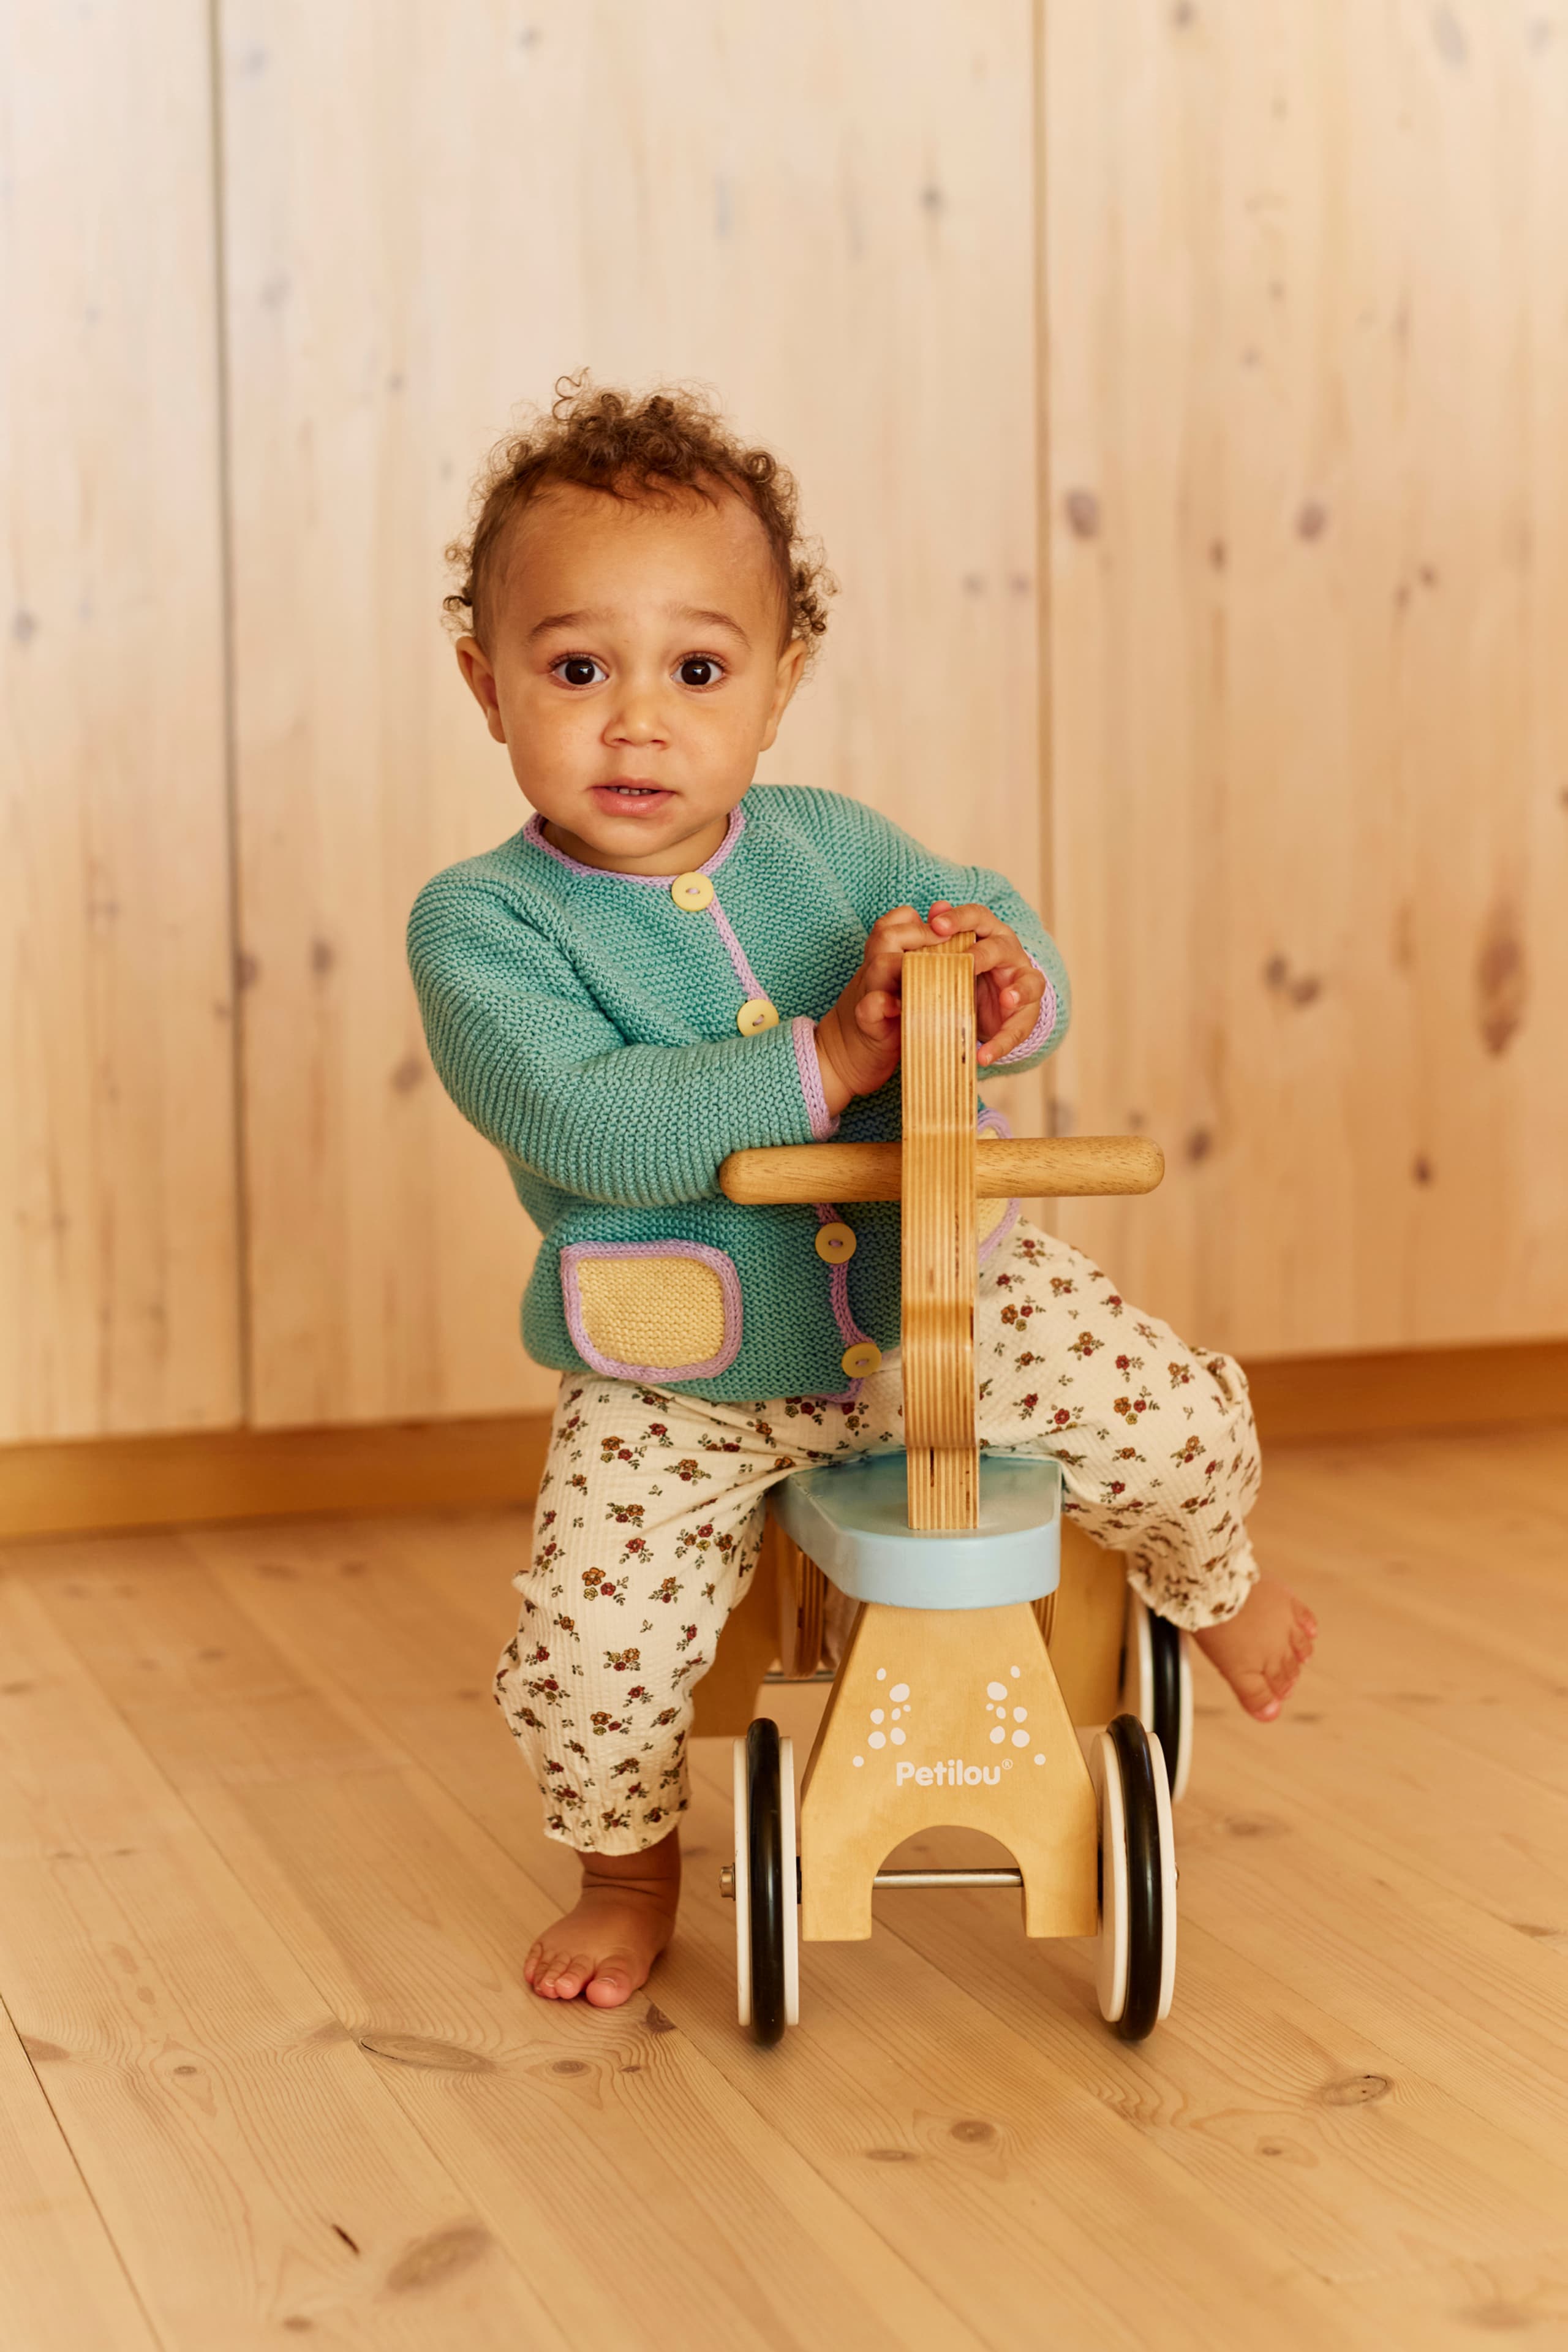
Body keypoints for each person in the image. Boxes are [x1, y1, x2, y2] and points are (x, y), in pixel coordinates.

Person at [407, 380, 1316, 2010]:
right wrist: (828, 1055)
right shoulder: (484, 926)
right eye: (577, 669)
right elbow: (587, 1121)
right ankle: (625, 1868)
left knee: (1168, 1418)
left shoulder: (833, 851)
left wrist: (1005, 988)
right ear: (488, 685)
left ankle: (1212, 1582)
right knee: (597, 1645)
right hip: (684, 1373)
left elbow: (998, 934)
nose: (637, 722)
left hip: (942, 1299)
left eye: (697, 670)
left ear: (778, 685)